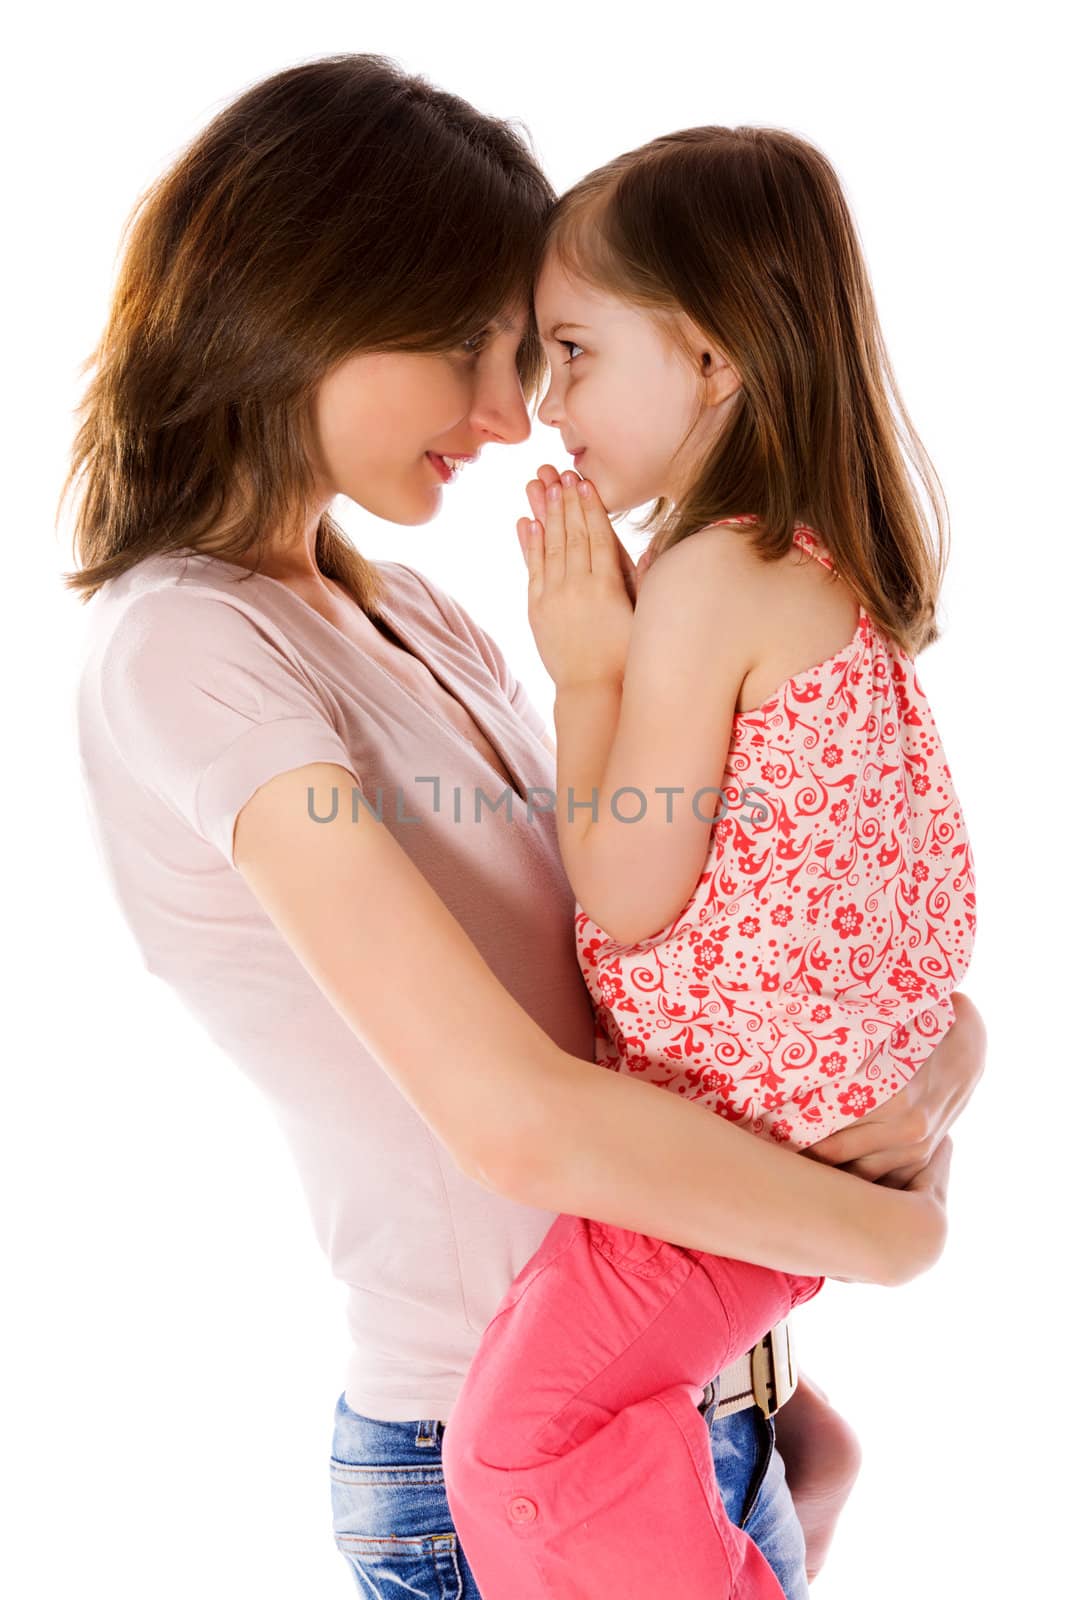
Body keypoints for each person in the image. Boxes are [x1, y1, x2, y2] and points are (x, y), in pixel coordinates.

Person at [63, 58, 985, 1600]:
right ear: (302, 298)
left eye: (537, 349)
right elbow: (513, 1117)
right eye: (469, 346)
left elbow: (675, 954)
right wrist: (892, 1234)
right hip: (497, 1456)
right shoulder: (191, 650)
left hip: (691, 1411)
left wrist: (947, 1050)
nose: (513, 414)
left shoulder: (414, 613)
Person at [438, 124, 978, 1600]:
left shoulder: (704, 580)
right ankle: (806, 1472)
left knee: (512, 1454)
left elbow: (626, 890)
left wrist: (586, 673)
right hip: (799, 1152)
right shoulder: (815, 567)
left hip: (727, 1169)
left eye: (572, 352)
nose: (548, 405)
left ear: (714, 361)